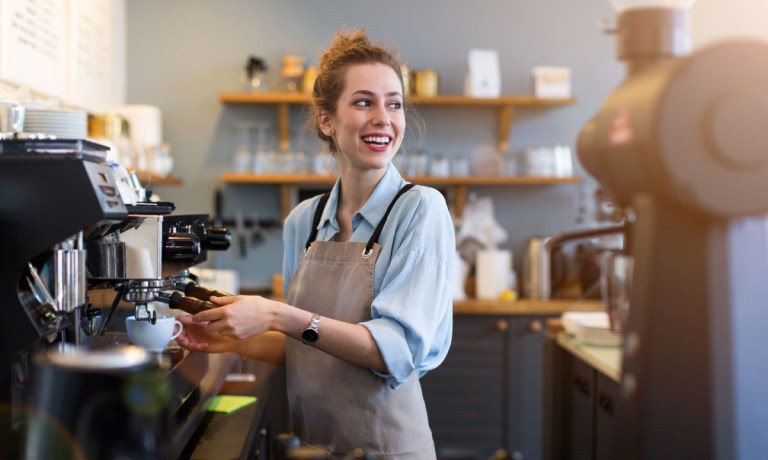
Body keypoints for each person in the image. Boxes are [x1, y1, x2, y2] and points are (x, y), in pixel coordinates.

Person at [177, 28, 455, 459]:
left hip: (385, 450)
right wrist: (234, 339)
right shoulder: (303, 221)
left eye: (394, 103)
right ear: (327, 119)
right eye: (364, 101)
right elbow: (308, 346)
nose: (384, 117)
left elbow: (394, 352)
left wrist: (273, 312)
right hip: (310, 446)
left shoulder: (419, 209)